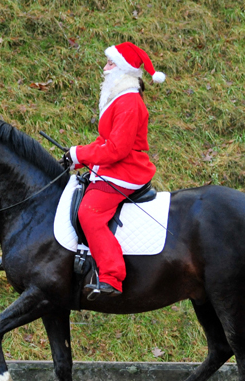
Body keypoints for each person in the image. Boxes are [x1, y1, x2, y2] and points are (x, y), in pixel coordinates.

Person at [66, 42, 166, 296]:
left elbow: (117, 150)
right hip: (113, 166)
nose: (104, 68)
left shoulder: (129, 103)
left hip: (125, 169)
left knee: (89, 213)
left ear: (122, 68)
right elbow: (105, 143)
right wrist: (78, 157)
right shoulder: (119, 99)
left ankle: (112, 275)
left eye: (110, 63)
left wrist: (81, 153)